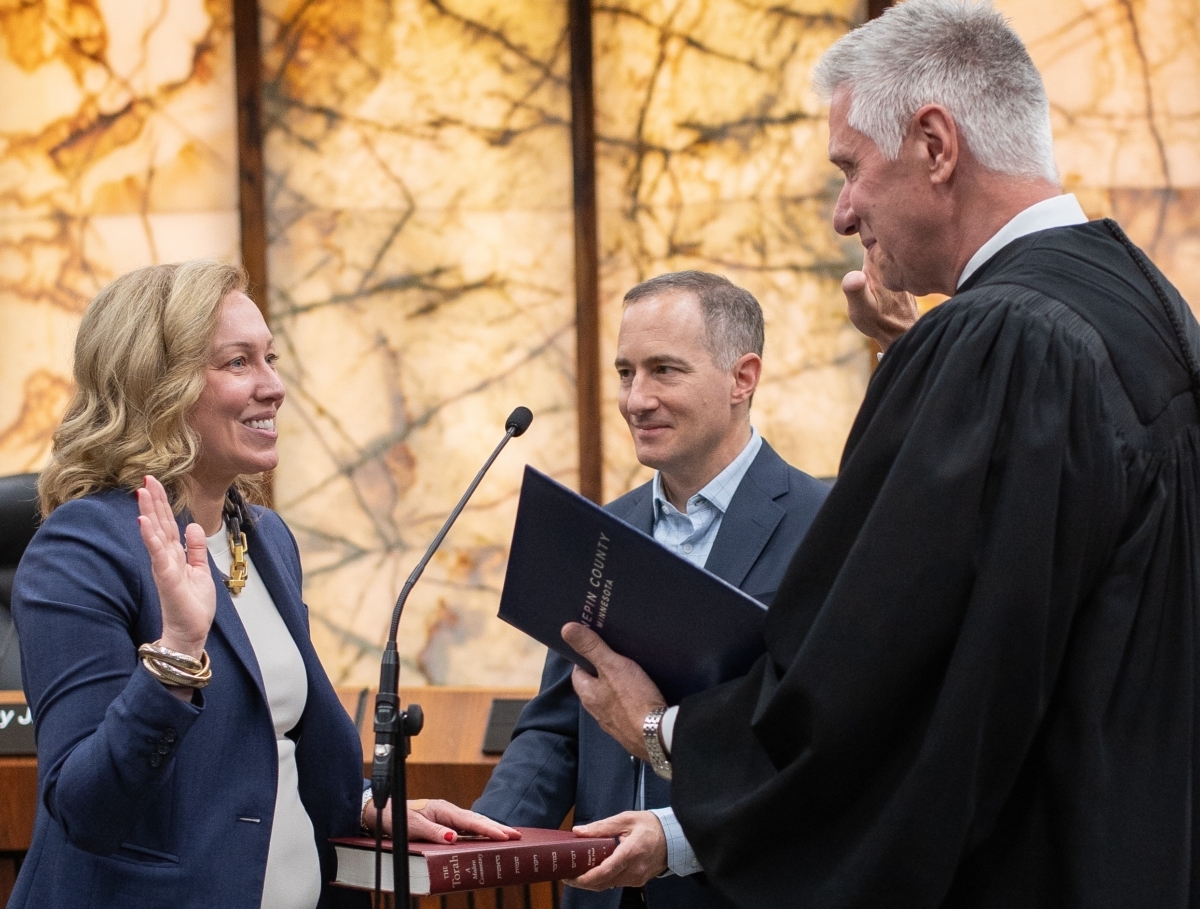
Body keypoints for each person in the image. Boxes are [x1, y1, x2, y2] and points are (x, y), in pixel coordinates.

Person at [561, 1, 1200, 906]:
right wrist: (913, 357)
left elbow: (885, 677)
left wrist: (670, 733)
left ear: (936, 145)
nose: (841, 212)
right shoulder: (1150, 307)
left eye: (850, 168)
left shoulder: (999, 342)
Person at [9, 261, 513, 909]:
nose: (273, 386)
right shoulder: (80, 549)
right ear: (157, 383)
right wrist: (176, 659)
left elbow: (267, 739)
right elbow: (87, 807)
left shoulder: (264, 537)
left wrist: (364, 804)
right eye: (238, 362)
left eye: (270, 358)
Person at [474, 271, 830, 908]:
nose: (636, 399)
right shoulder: (600, 531)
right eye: (624, 372)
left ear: (742, 378)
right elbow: (558, 730)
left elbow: (820, 745)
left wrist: (679, 834)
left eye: (664, 370)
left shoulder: (827, 527)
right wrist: (479, 838)